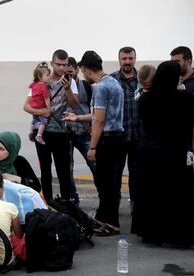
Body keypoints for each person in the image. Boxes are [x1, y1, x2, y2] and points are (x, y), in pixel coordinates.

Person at [131, 61, 194, 247]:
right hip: (176, 154)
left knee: (152, 193)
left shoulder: (146, 99)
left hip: (150, 152)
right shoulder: (185, 97)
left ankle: (153, 233)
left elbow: (142, 118)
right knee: (178, 195)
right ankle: (178, 235)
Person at [70, 50, 124, 236]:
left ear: (85, 69)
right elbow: (99, 114)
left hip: (106, 141)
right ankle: (104, 219)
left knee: (105, 185)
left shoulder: (99, 88)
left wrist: (92, 147)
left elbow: (99, 121)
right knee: (111, 183)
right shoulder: (113, 82)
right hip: (118, 138)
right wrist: (77, 118)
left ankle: (111, 224)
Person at [24, 49, 79, 204]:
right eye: (58, 64)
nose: (62, 68)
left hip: (62, 132)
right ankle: (47, 203)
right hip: (42, 132)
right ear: (52, 62)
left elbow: (75, 105)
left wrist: (67, 88)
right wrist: (43, 111)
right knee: (45, 170)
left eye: (65, 64)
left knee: (64, 171)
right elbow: (26, 106)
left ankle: (66, 203)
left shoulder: (70, 81)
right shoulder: (41, 81)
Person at [0, 131, 46, 224]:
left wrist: (17, 178)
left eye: (1, 149)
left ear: (12, 150)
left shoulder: (20, 162)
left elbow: (36, 187)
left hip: (19, 210)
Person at [171, 46, 194, 207]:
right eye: (172, 62)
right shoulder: (177, 80)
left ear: (188, 61)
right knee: (182, 174)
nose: (174, 65)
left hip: (192, 140)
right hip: (178, 139)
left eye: (177, 61)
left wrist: (193, 141)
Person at [110, 46, 139, 211]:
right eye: (124, 59)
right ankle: (113, 207)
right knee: (115, 175)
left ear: (135, 58)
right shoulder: (112, 79)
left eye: (130, 58)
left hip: (137, 136)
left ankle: (136, 206)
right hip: (118, 137)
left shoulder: (143, 79)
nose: (127, 62)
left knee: (136, 175)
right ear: (119, 59)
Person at [65, 57, 97, 192]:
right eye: (65, 73)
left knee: (95, 165)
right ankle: (73, 199)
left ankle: (104, 197)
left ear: (77, 70)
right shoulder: (61, 85)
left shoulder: (86, 86)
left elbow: (95, 108)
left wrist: (93, 127)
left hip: (85, 131)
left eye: (70, 72)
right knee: (68, 168)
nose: (68, 76)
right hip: (67, 131)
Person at [28, 62, 51, 145]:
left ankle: (30, 132)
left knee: (34, 120)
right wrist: (48, 108)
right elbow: (46, 99)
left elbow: (30, 86)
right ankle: (39, 135)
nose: (49, 77)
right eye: (47, 75)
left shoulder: (34, 84)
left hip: (33, 106)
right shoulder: (44, 88)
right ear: (40, 77)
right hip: (40, 107)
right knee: (43, 121)